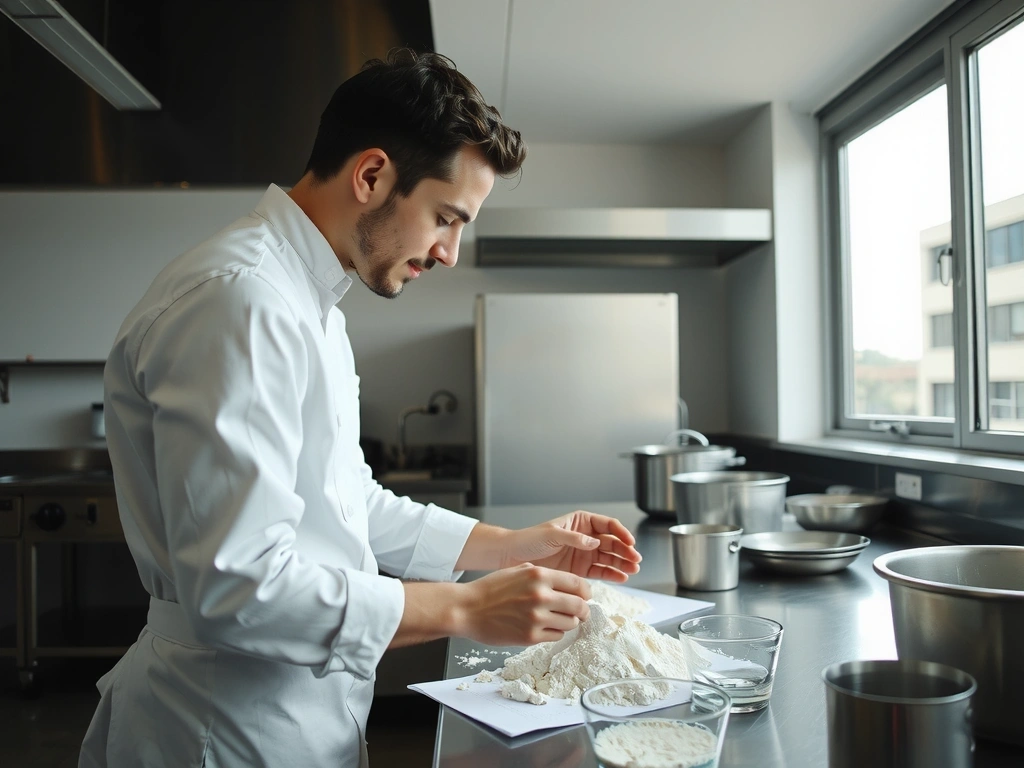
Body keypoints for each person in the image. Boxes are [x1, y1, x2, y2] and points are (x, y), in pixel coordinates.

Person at [78, 49, 641, 768]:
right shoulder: (240, 300)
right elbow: (237, 587)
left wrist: (515, 543)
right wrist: (465, 608)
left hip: (290, 716)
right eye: (446, 217)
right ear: (372, 175)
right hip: (217, 726)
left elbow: (351, 506)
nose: (449, 253)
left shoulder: (312, 305)